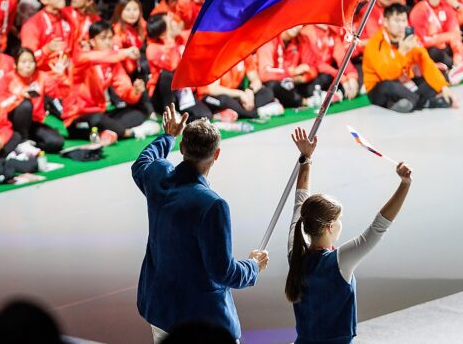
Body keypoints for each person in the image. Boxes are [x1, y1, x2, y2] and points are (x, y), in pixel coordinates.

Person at [132, 106, 267, 342]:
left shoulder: (158, 177)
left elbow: (142, 162)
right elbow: (223, 272)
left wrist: (168, 136)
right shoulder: (212, 205)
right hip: (202, 322)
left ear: (183, 148)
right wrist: (253, 266)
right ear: (216, 154)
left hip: (161, 309)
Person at [286, 126, 412, 344]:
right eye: (339, 219)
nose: (341, 223)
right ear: (329, 227)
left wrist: (306, 158)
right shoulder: (340, 261)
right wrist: (405, 184)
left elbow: (300, 201)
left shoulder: (295, 253)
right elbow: (379, 226)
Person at [362, 4, 455, 112]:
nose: (401, 25)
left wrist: (443, 88)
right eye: (397, 21)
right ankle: (424, 102)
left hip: (406, 83)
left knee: (442, 75)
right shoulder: (375, 44)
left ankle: (409, 101)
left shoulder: (410, 39)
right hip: (381, 88)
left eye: (403, 21)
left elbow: (427, 65)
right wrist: (401, 52)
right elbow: (387, 75)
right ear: (386, 22)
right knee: (388, 86)